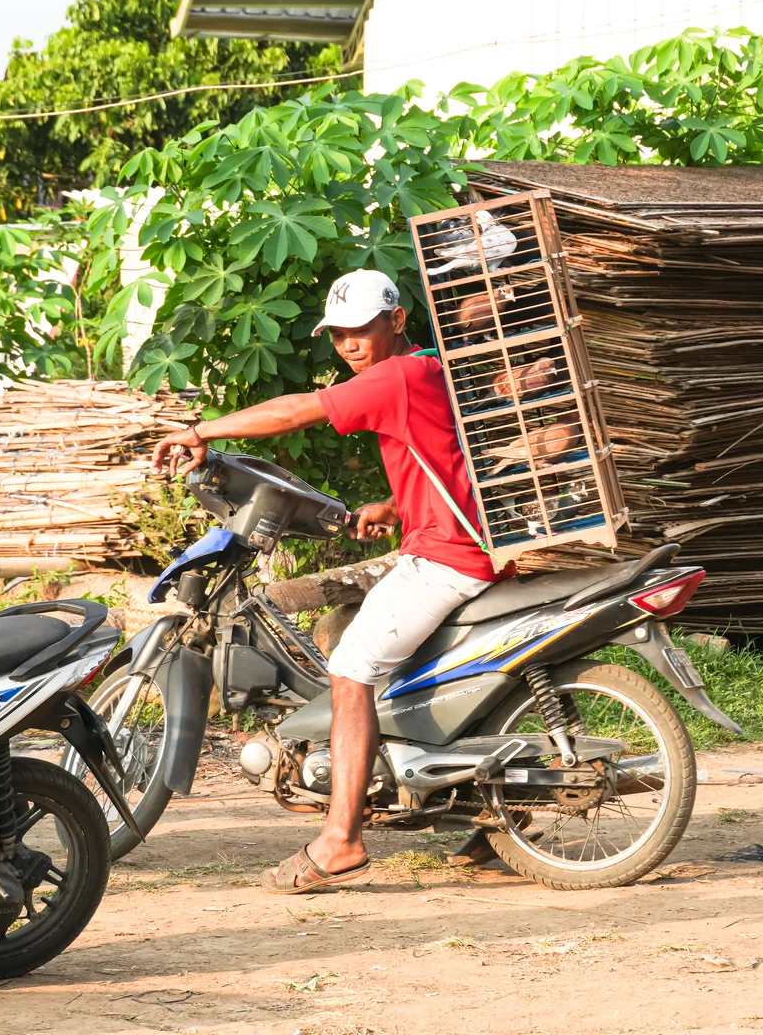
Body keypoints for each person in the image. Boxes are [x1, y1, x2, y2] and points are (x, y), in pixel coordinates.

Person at [151, 268, 513, 893]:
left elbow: (298, 411)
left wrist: (202, 431)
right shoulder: (426, 368)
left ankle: (341, 839)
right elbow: (451, 459)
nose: (348, 346)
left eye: (361, 331)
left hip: (449, 555)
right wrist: (395, 507)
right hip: (455, 540)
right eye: (339, 335)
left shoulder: (394, 376)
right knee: (361, 637)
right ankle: (496, 817)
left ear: (396, 322)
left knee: (349, 669)